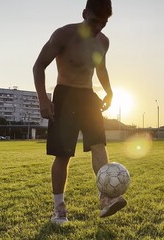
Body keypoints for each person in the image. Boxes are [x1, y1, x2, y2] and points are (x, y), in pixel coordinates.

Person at [33, 0, 126, 224]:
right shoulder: (63, 35)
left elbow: (101, 67)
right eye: (95, 21)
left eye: (103, 23)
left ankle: (106, 198)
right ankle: (59, 210)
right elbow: (38, 66)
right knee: (63, 155)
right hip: (65, 96)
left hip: (88, 98)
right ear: (84, 13)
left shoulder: (103, 41)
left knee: (98, 144)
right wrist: (43, 100)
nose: (98, 28)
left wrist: (110, 92)